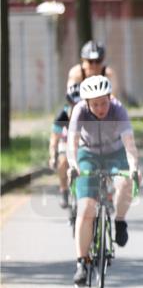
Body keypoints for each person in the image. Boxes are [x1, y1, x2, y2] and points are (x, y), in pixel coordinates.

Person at [66, 75, 141, 285]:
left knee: (125, 182)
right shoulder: (79, 111)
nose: (101, 108)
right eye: (96, 104)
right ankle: (81, 262)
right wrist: (73, 165)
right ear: (87, 103)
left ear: (110, 97)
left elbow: (129, 144)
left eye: (104, 102)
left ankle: (119, 221)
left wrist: (133, 167)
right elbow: (71, 144)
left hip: (114, 153)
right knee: (86, 208)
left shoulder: (118, 109)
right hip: (87, 154)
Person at [49, 82, 82, 210]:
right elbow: (54, 139)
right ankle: (64, 191)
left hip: (84, 143)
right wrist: (53, 156)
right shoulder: (62, 115)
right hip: (66, 143)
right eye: (73, 105)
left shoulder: (90, 113)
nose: (76, 108)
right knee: (62, 162)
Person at [67, 41, 127, 107]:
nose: (94, 65)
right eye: (90, 61)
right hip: (81, 106)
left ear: (103, 60)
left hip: (102, 109)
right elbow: (72, 96)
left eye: (98, 61)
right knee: (67, 111)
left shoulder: (108, 73)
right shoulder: (76, 73)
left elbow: (112, 97)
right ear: (83, 60)